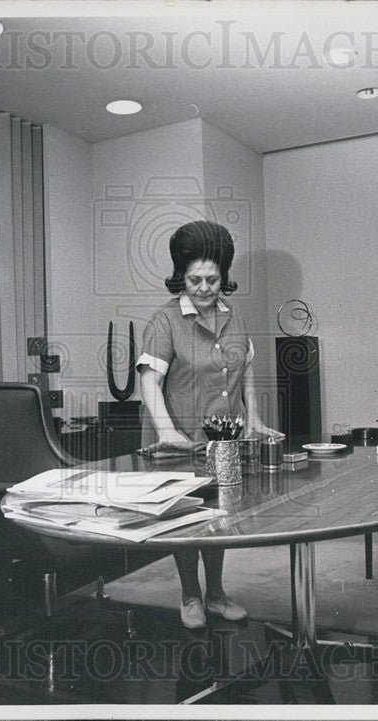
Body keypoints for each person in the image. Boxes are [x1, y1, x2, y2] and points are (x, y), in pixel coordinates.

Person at [136, 219, 284, 628]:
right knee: (186, 517)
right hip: (179, 436)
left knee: (218, 515)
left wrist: (253, 418)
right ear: (180, 278)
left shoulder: (233, 319)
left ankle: (216, 592)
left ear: (224, 279)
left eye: (212, 280)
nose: (204, 288)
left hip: (224, 438)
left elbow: (246, 371)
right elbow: (150, 379)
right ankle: (190, 595)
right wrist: (167, 431)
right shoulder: (164, 322)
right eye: (195, 280)